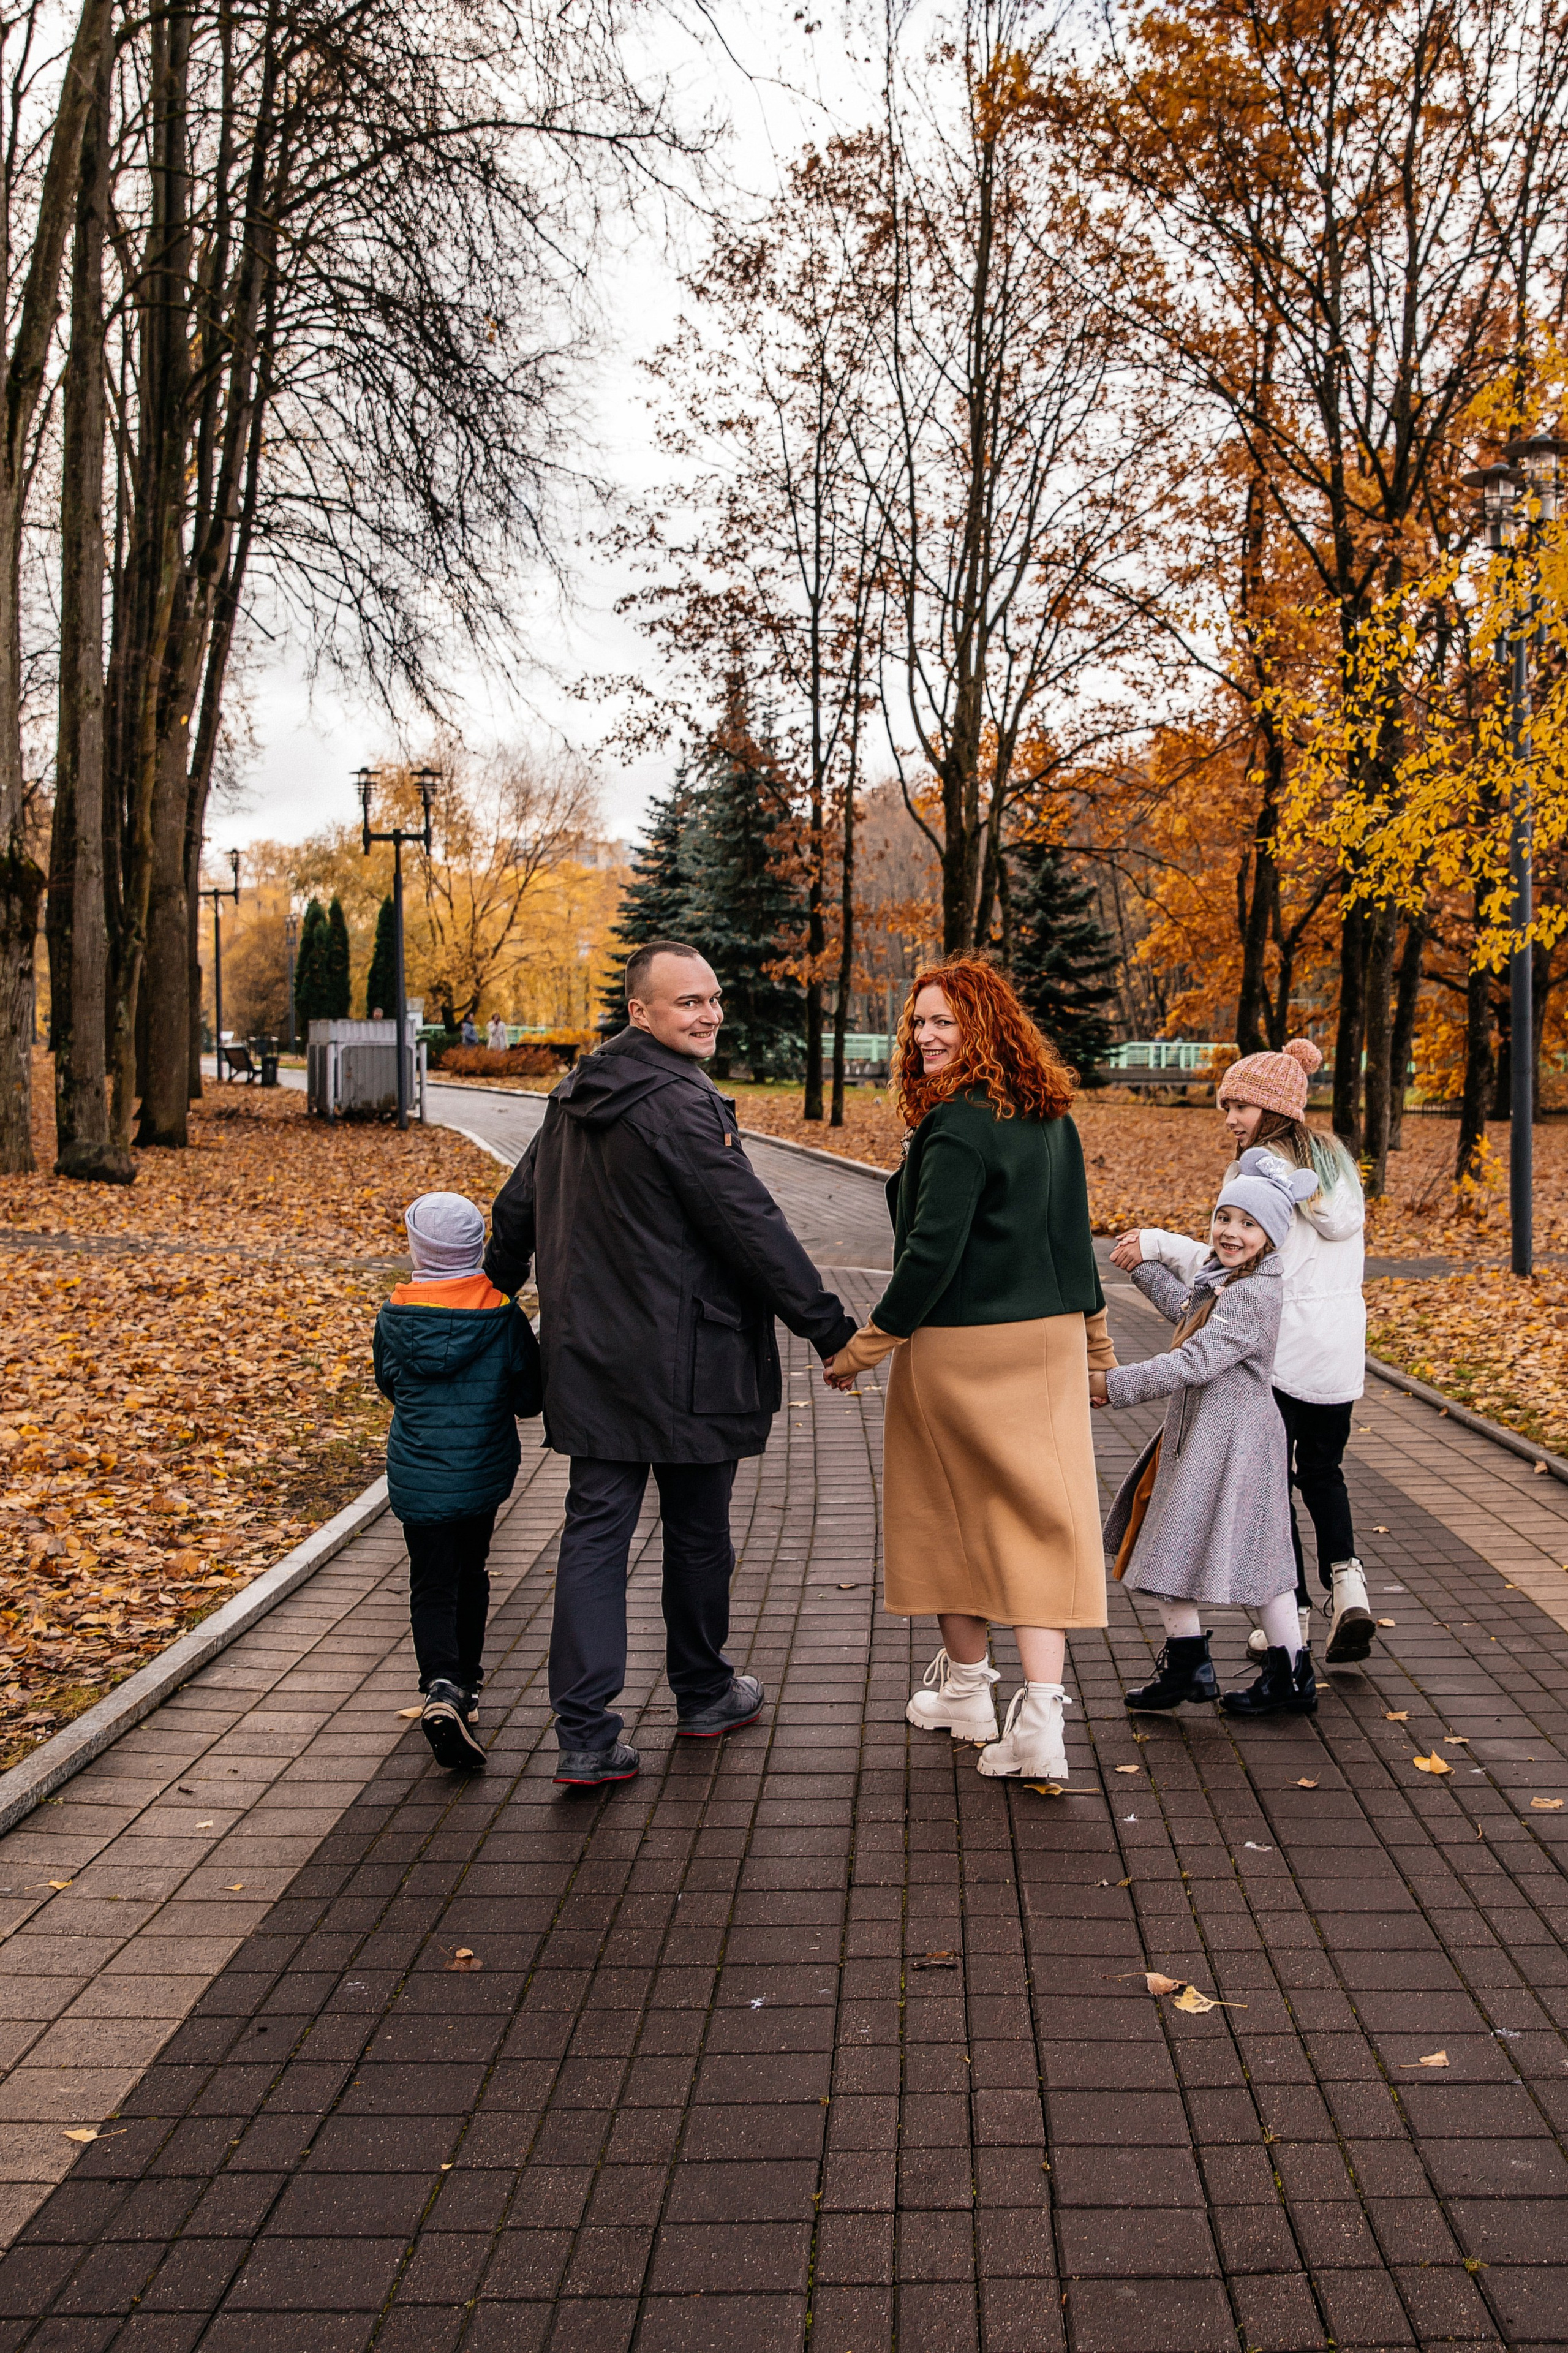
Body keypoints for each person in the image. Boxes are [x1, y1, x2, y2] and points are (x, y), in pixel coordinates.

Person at [485, 940, 857, 1788]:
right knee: (696, 1536)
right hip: (692, 1362)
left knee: (594, 1539)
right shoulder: (680, 1105)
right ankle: (701, 1690)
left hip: (590, 1361)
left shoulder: (577, 1094)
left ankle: (585, 1734)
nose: (710, 1014)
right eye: (688, 1003)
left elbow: (519, 1206)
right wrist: (830, 1327)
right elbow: (752, 1224)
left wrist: (493, 1289)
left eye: (714, 999)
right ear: (641, 1013)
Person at [823, 956, 1114, 1786]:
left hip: (964, 1348)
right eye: (918, 1023)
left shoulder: (958, 1123)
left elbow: (930, 1255)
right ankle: (1034, 1720)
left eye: (944, 1020)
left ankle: (970, 1691)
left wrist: (865, 1348)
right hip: (1050, 1344)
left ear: (985, 1024)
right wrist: (1096, 1344)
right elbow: (1073, 1235)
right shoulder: (1050, 1115)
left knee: (947, 1517)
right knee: (1039, 1520)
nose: (925, 1037)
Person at [1109, 1037, 1371, 1664]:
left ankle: (1295, 1617)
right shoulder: (1335, 1163)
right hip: (1339, 1346)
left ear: (1272, 1110)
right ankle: (1349, 1581)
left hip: (1278, 1345)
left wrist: (1156, 1245)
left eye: (1241, 1105)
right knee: (1323, 1471)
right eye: (1227, 1103)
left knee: (1268, 1486)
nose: (1229, 1117)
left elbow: (1234, 1259)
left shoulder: (1258, 1167)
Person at [1096, 1147, 1322, 1718]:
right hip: (1208, 1434)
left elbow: (1194, 1359)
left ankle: (1258, 1672)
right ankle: (1212, 1666)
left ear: (1270, 1237)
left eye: (1249, 1224)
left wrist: (1110, 1384)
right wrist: (1142, 1262)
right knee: (1179, 1539)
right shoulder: (1229, 1279)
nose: (1231, 1231)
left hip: (1235, 1439)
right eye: (1225, 1218)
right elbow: (1186, 1313)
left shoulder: (1254, 1293)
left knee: (1208, 1547)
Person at [374, 1192, 543, 1771]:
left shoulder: (395, 1316)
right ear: (475, 1247)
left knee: (431, 1581)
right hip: (480, 1474)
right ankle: (465, 1691)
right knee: (471, 1573)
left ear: (419, 1248)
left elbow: (390, 1385)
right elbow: (528, 1398)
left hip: (418, 1474)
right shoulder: (502, 1315)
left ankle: (441, 1685)